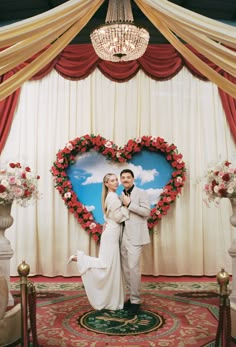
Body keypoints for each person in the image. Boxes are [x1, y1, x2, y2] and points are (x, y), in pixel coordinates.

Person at [67, 173, 129, 311]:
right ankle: (80, 258)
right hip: (112, 234)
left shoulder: (111, 196)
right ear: (106, 183)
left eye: (116, 180)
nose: (116, 182)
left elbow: (111, 217)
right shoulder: (112, 197)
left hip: (111, 233)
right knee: (107, 265)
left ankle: (112, 298)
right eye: (112, 180)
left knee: (110, 266)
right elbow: (119, 218)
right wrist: (126, 206)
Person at [120, 169, 151, 314]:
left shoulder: (141, 193)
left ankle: (136, 301)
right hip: (124, 235)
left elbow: (146, 212)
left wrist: (129, 204)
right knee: (126, 269)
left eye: (128, 177)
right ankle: (131, 297)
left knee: (133, 268)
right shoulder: (121, 195)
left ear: (133, 179)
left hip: (136, 236)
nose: (125, 179)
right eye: (123, 177)